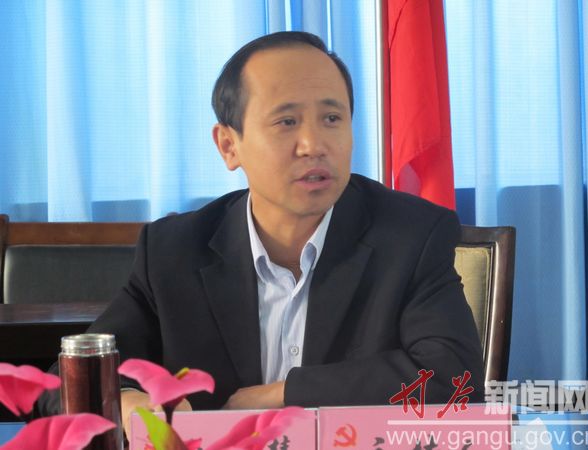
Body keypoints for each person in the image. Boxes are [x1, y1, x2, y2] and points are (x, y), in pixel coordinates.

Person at [38, 31, 484, 437]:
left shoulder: (411, 236)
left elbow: (456, 381)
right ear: (228, 145)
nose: (314, 145)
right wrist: (126, 402)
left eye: (332, 118)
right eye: (287, 122)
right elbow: (62, 383)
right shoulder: (174, 251)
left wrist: (284, 394)